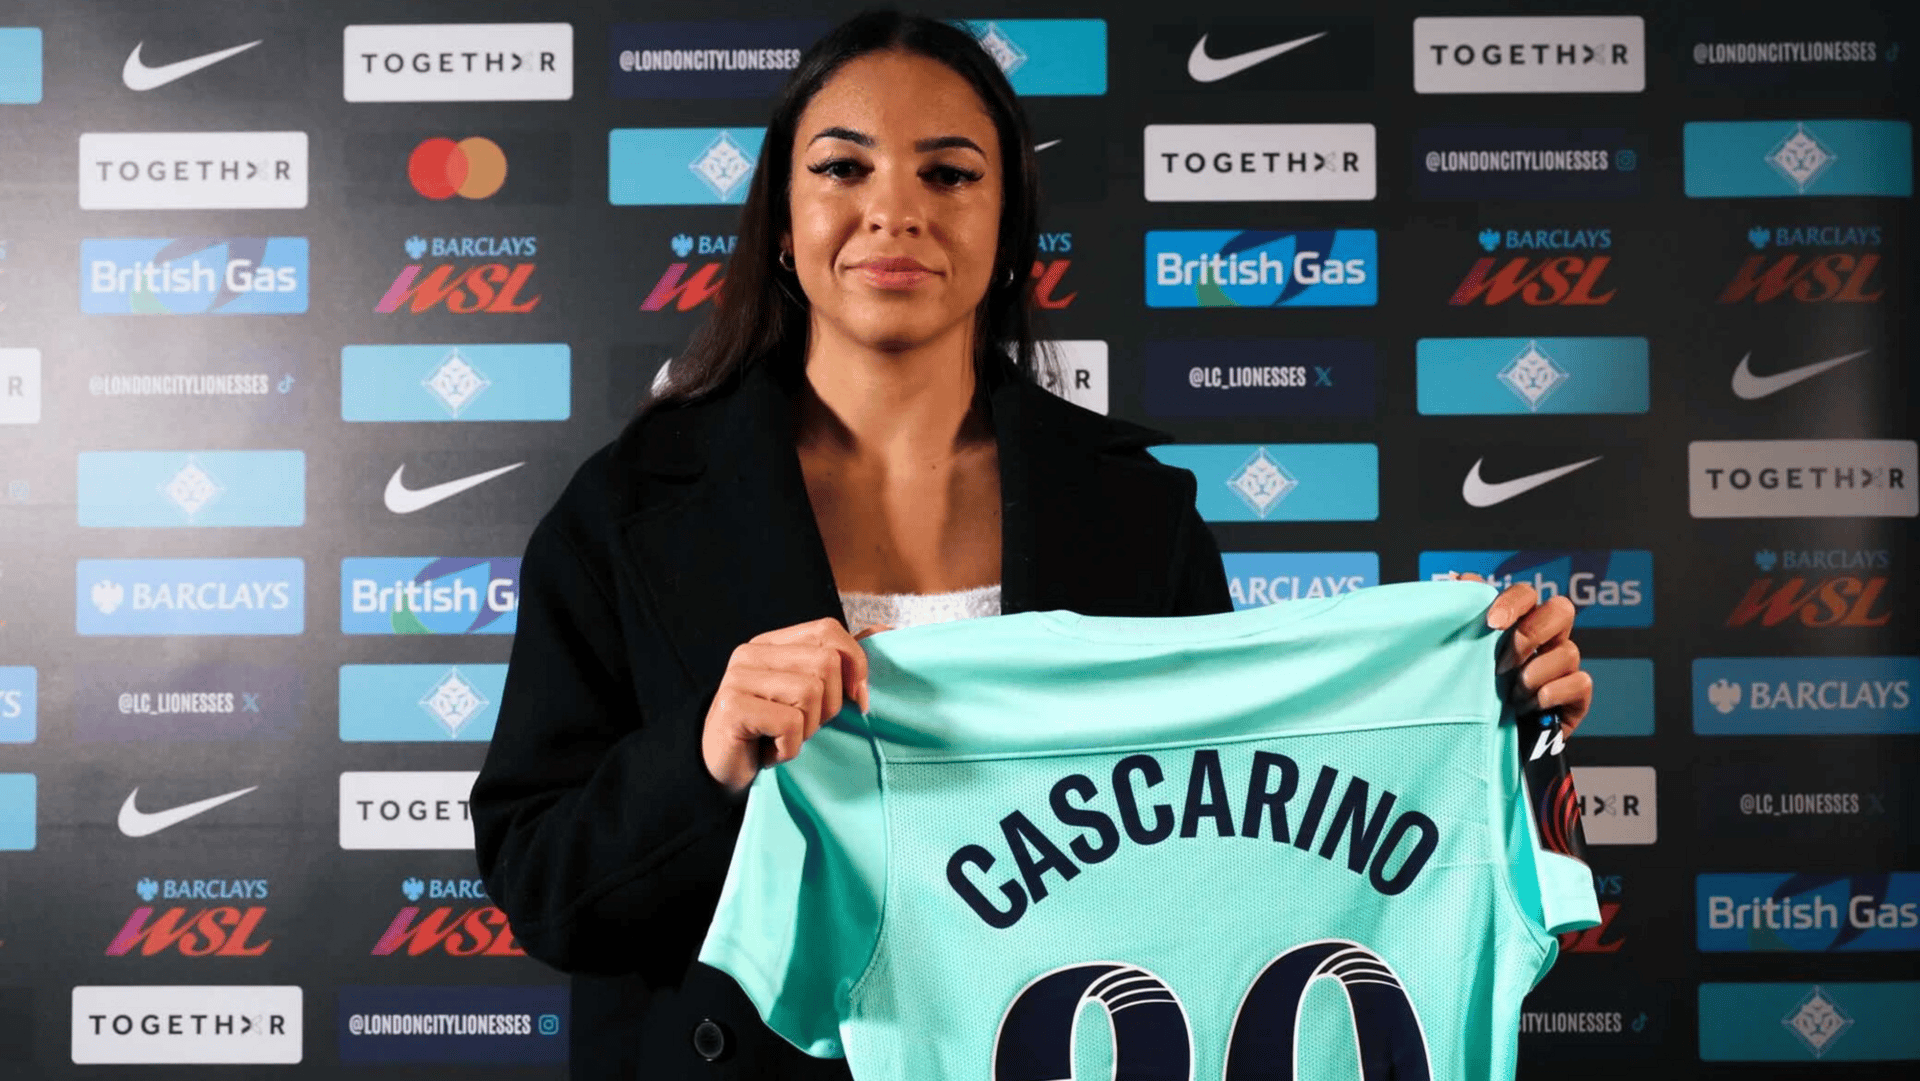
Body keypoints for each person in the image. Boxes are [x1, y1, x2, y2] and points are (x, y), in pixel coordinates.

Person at [470, 11, 1593, 1080]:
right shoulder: (625, 511)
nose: (895, 210)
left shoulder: (1137, 516)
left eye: (949, 174)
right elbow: (541, 885)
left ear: (1009, 229)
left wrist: (1493, 717)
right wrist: (705, 757)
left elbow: (1234, 836)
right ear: (779, 218)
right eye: (844, 168)